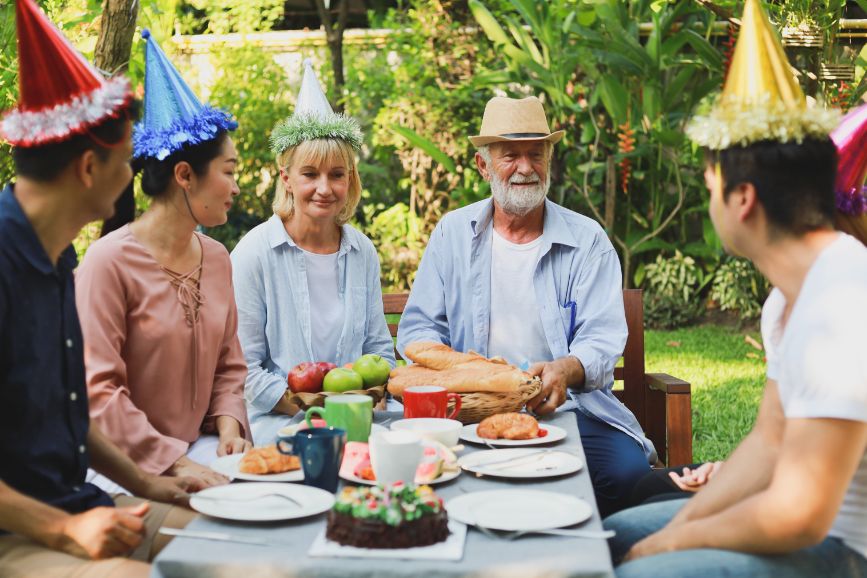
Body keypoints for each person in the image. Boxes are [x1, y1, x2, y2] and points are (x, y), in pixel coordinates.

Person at [604, 2, 867, 576]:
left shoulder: (844, 303)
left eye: (710, 182)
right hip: (810, 529)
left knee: (636, 565)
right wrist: (681, 527)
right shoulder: (787, 297)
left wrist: (672, 545)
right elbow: (770, 440)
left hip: (848, 550)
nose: (708, 197)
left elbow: (800, 515)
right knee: (616, 534)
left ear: (743, 198)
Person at [0, 2, 201, 576]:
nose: (135, 172)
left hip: (81, 507)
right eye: (126, 158)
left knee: (246, 544)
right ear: (89, 168)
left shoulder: (60, 255)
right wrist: (65, 530)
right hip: (23, 531)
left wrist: (149, 482)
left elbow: (68, 410)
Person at [396, 95, 654, 517]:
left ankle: (593, 553)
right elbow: (419, 330)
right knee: (424, 477)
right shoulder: (452, 235)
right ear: (483, 166)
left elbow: (602, 338)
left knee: (628, 475)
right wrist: (466, 377)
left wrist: (564, 370)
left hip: (568, 410)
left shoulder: (587, 241)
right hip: (469, 413)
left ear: (549, 161)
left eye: (536, 154)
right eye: (510, 155)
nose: (525, 167)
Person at [75, 30, 251, 491]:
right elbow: (100, 393)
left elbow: (230, 364)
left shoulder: (216, 258)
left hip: (205, 457)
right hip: (124, 473)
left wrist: (230, 421)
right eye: (229, 173)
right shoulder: (107, 262)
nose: (236, 188)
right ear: (185, 175)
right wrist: (170, 461)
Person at [231, 60, 395, 446]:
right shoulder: (255, 253)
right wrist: (316, 411)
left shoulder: (361, 251)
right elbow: (244, 368)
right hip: (282, 420)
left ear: (350, 179)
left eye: (337, 174)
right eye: (310, 174)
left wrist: (359, 399)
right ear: (286, 178)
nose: (325, 188)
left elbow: (378, 350)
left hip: (357, 414)